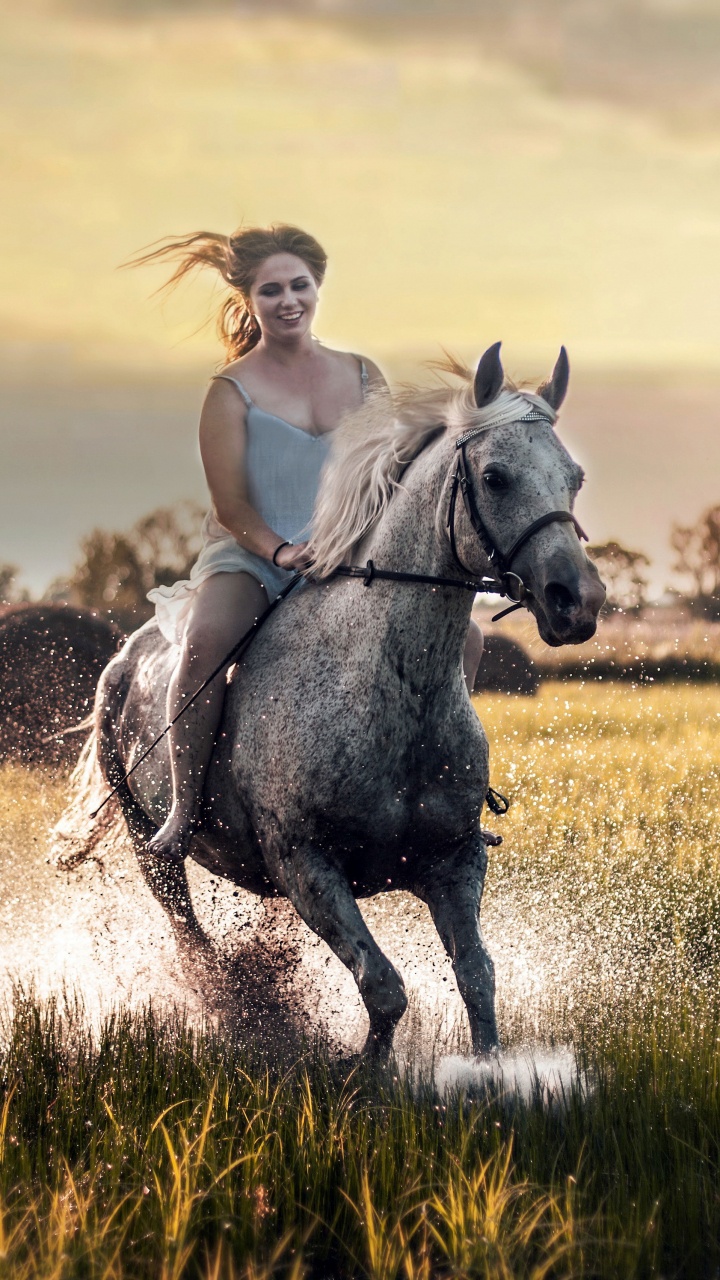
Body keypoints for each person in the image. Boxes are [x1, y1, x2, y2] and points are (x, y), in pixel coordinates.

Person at [133, 223, 485, 862]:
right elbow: (230, 507)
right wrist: (279, 551)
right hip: (254, 556)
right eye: (271, 290)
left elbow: (387, 476)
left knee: (467, 637)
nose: (288, 299)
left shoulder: (362, 374)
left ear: (317, 287)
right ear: (249, 299)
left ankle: (442, 791)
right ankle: (183, 810)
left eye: (299, 285)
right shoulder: (229, 391)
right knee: (208, 642)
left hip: (349, 554)